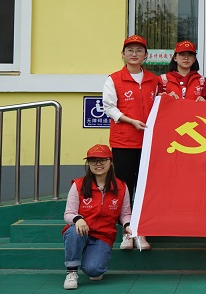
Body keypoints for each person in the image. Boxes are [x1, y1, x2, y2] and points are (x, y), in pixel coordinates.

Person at [102, 34, 160, 250]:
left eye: (139, 51)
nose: (134, 54)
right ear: (123, 54)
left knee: (145, 188)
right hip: (124, 142)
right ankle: (127, 232)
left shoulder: (154, 80)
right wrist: (131, 121)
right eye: (130, 50)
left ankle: (142, 231)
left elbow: (163, 106)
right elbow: (109, 108)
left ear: (146, 55)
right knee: (125, 188)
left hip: (149, 142)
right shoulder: (114, 79)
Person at [63, 144, 132, 290]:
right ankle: (71, 272)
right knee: (73, 231)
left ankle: (92, 260)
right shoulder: (78, 185)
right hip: (82, 230)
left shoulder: (121, 186)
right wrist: (78, 219)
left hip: (103, 235)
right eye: (93, 160)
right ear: (88, 163)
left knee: (94, 271)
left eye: (103, 160)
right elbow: (69, 213)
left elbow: (125, 214)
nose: (98, 164)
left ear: (111, 162)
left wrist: (127, 225)